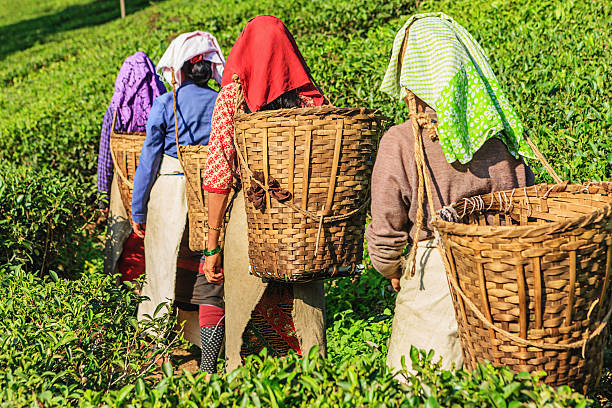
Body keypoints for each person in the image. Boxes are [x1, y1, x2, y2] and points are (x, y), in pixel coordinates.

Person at [368, 12, 535, 376]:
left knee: (422, 387)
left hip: (433, 278)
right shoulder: (500, 136)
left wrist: (392, 269)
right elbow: (529, 203)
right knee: (498, 389)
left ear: (410, 72)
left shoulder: (400, 141)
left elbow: (385, 231)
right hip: (503, 277)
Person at [201, 15, 327, 371]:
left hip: (251, 222)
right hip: (301, 225)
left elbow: (218, 173)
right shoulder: (313, 100)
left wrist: (213, 245)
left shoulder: (233, 97)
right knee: (306, 339)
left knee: (245, 345)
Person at [130, 31, 225, 375]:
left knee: (162, 268)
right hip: (213, 194)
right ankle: (208, 351)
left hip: (170, 194)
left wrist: (137, 209)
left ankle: (159, 350)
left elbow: (149, 161)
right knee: (207, 267)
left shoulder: (164, 104)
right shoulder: (220, 103)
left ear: (180, 70)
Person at [99, 51, 166, 283]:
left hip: (121, 183)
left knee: (122, 240)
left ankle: (123, 290)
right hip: (157, 182)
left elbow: (105, 157)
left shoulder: (115, 110)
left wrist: (102, 197)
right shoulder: (162, 102)